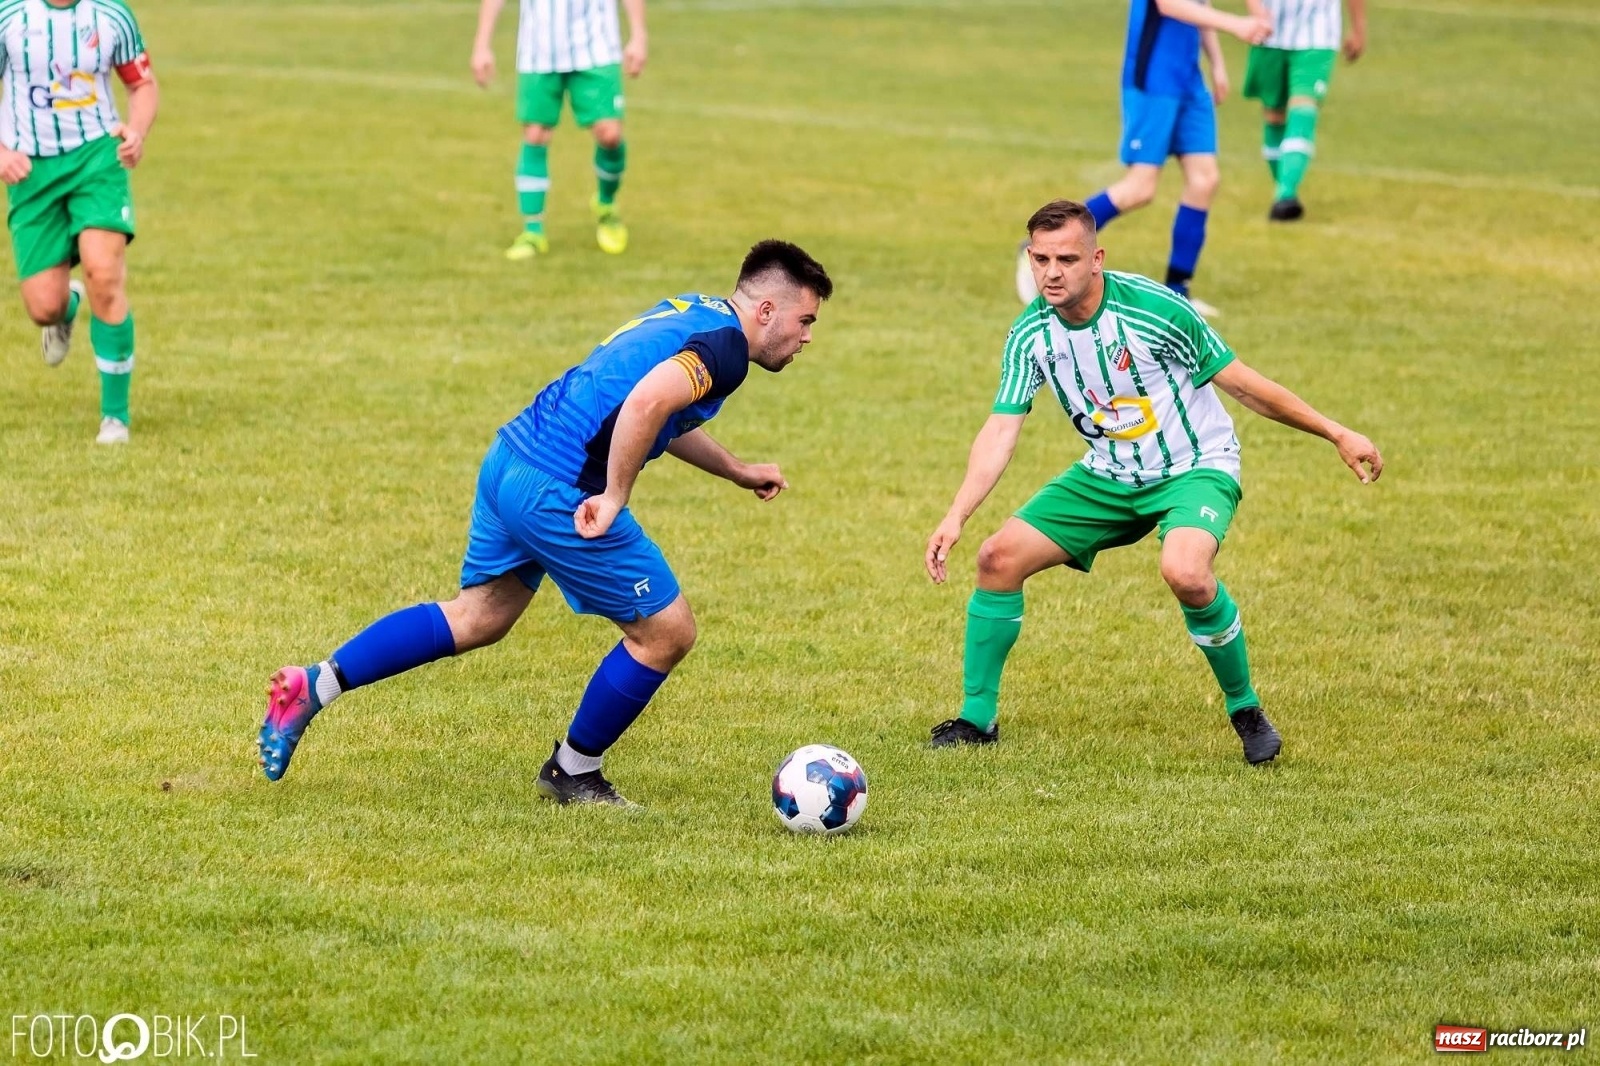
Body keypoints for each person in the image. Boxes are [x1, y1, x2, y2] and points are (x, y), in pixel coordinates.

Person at [259, 241, 833, 805]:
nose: (807, 336)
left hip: (512, 458)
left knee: (480, 616)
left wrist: (736, 470)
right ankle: (573, 772)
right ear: (766, 310)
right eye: (804, 320)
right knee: (667, 632)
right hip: (557, 486)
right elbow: (645, 405)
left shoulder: (695, 311)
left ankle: (315, 685)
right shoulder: (726, 349)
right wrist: (613, 496)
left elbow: (656, 408)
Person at [927, 200, 1382, 764]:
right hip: (1108, 474)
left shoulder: (1155, 310)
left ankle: (1245, 708)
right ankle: (977, 720)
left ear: (1097, 259)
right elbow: (1001, 429)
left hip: (1195, 466)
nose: (1051, 273)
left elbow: (1243, 384)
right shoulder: (1030, 334)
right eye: (1040, 259)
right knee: (997, 559)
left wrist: (1336, 432)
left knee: (1186, 572)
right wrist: (957, 515)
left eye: (1067, 259)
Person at [0, 0, 158, 444]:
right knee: (43, 308)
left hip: (97, 159)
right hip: (31, 170)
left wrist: (136, 131)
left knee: (104, 275)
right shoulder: (9, 16)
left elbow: (142, 84)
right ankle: (65, 306)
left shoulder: (111, 15)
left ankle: (115, 418)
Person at [1076, 0, 1272, 318]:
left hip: (1189, 80)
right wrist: (1237, 25)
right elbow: (1169, 5)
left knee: (1205, 180)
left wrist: (1217, 62)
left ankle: (1177, 292)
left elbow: (1200, 5)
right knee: (1140, 188)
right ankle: (1046, 241)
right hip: (1154, 78)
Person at [471, 0, 647, 260]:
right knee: (535, 135)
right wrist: (482, 44)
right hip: (538, 48)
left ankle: (606, 204)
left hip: (597, 45)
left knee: (610, 135)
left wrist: (638, 35)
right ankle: (532, 232)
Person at [1244, 0, 1367, 221]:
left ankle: (1285, 196)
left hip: (1318, 32)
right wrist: (1256, 12)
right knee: (1274, 116)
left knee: (1303, 108)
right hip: (1270, 30)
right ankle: (1284, 189)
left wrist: (1358, 28)